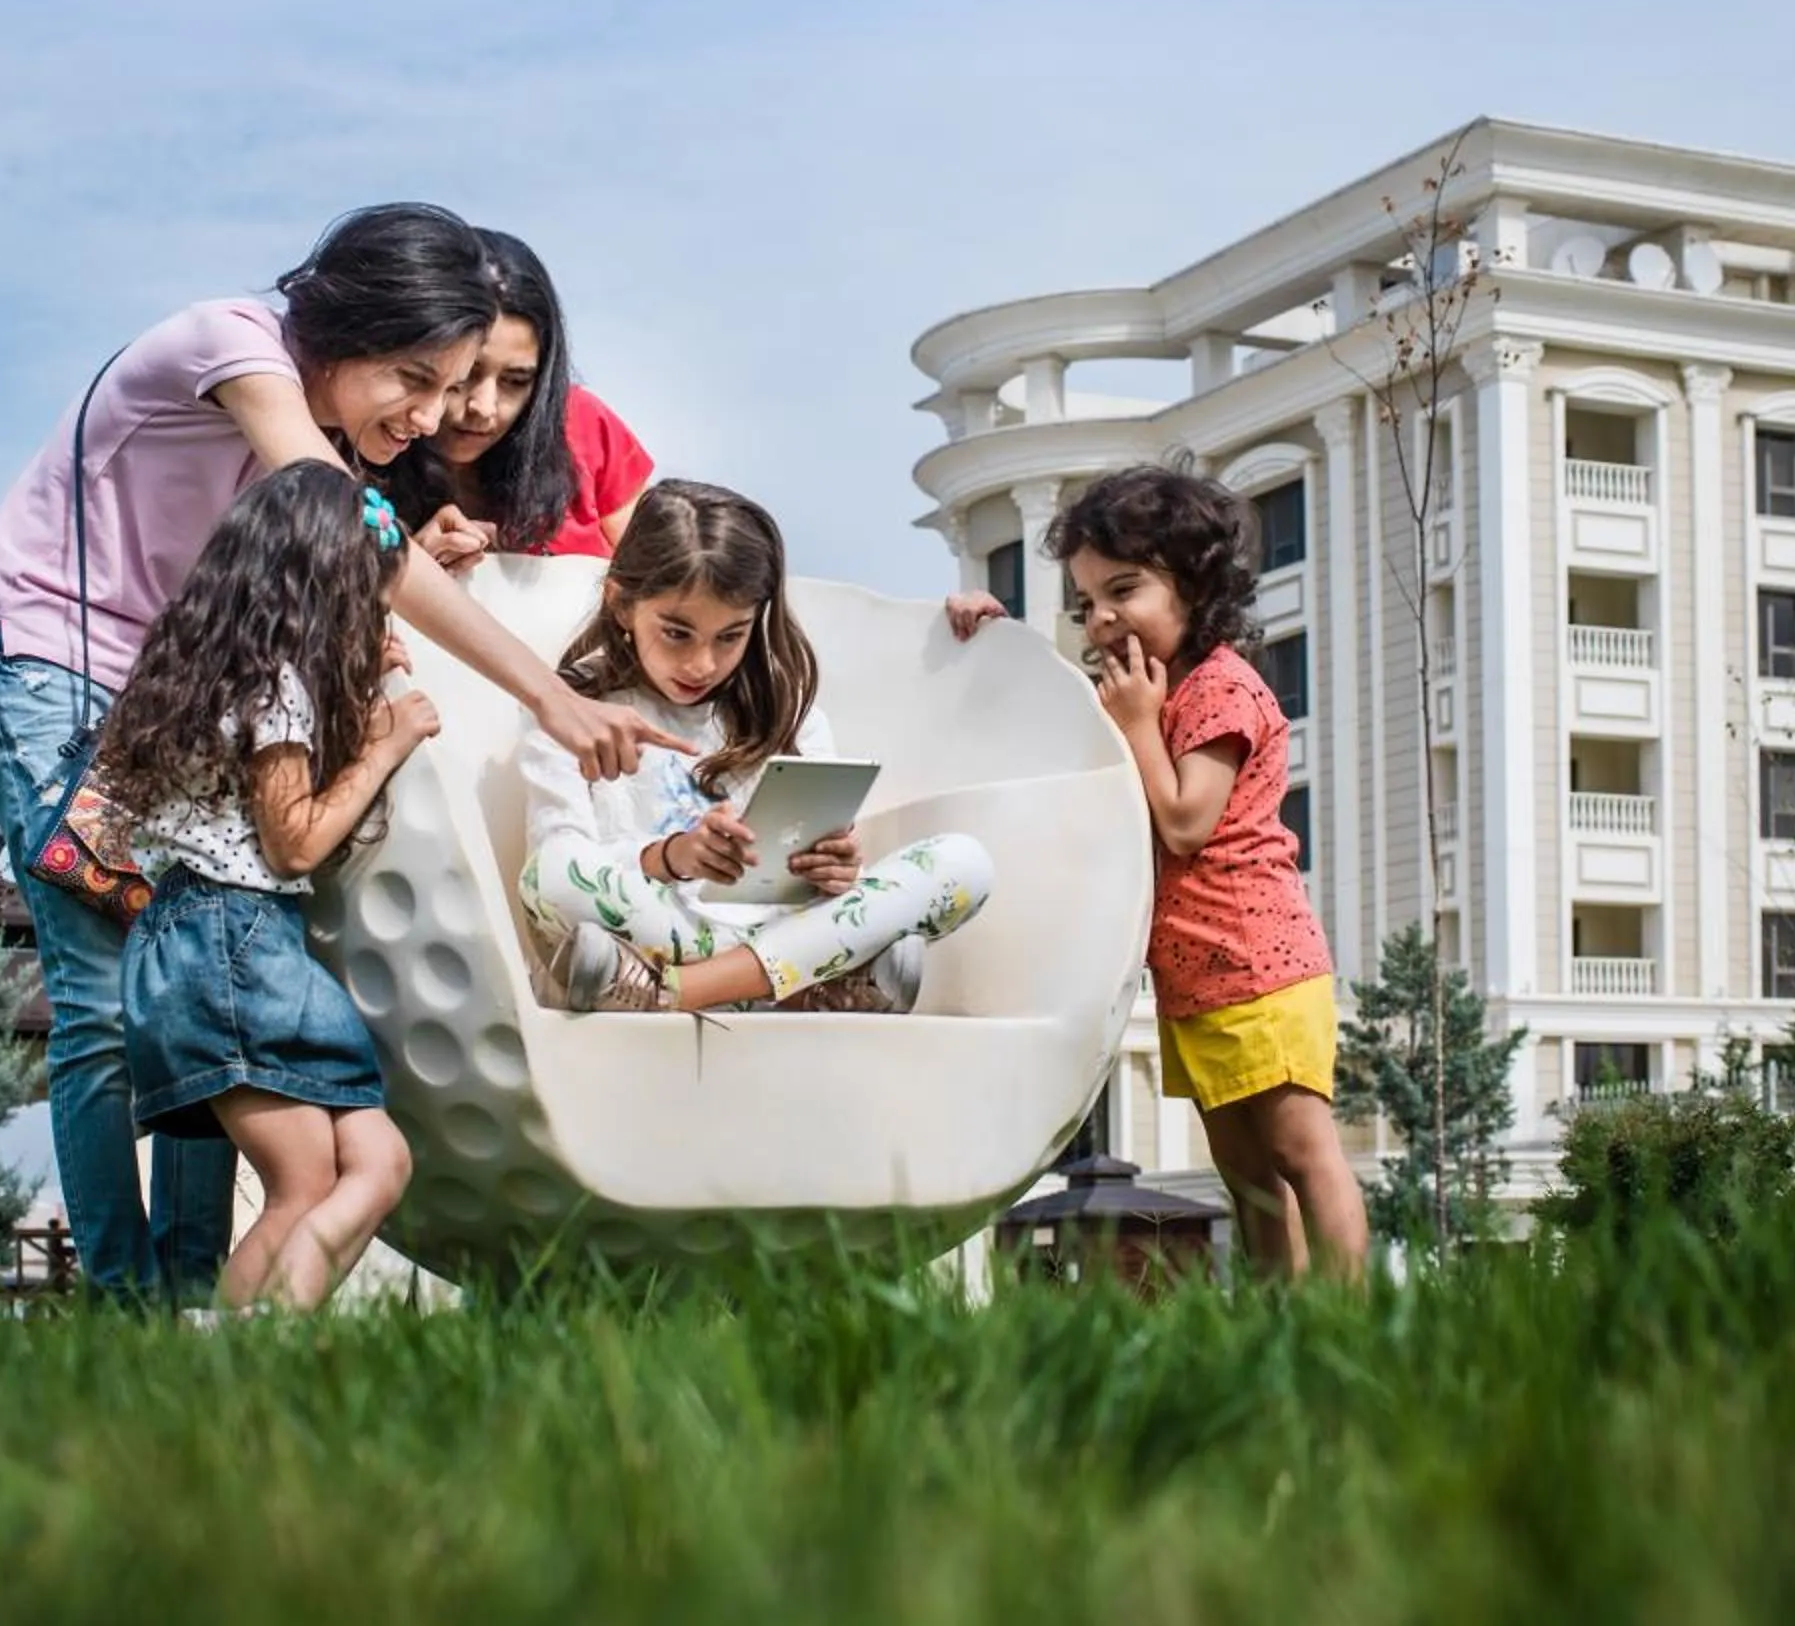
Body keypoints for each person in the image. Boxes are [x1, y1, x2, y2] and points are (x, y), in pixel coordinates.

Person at [0, 202, 682, 1306]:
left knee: (192, 1007)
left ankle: (195, 1299)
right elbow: (355, 534)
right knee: (106, 1004)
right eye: (416, 380)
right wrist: (547, 695)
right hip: (52, 664)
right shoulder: (235, 348)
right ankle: (124, 1304)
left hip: (167, 696)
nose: (436, 417)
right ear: (344, 330)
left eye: (454, 388)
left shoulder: (339, 431)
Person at [957, 463, 1367, 1281]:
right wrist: (991, 630)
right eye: (1086, 604)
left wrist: (1140, 722)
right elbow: (1061, 711)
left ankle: (1351, 1322)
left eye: (1126, 589)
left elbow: (1185, 821)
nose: (1104, 619)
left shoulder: (1220, 689)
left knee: (1300, 1152)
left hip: (1260, 961)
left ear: (1194, 583)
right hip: (1195, 978)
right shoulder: (1146, 690)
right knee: (1247, 1178)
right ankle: (1279, 1325)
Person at [90, 463, 426, 1312]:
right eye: (363, 602)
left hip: (219, 941)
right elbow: (295, 844)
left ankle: (262, 1340)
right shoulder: (277, 683)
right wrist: (388, 743)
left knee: (380, 1162)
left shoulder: (232, 671)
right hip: (230, 936)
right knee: (305, 1183)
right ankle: (241, 1366)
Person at [516, 480, 994, 1014]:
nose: (703, 664)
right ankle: (809, 986)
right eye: (677, 633)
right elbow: (559, 854)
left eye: (730, 637)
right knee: (550, 876)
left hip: (755, 933)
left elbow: (815, 879)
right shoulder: (574, 705)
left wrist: (835, 873)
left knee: (963, 864)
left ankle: (678, 992)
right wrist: (673, 858)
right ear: (623, 604)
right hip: (662, 924)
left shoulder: (787, 711)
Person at [380, 229, 654, 573]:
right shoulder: (355, 460)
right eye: (464, 375)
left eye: (516, 381)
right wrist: (406, 574)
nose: (484, 406)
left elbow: (663, 583)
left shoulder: (583, 424)